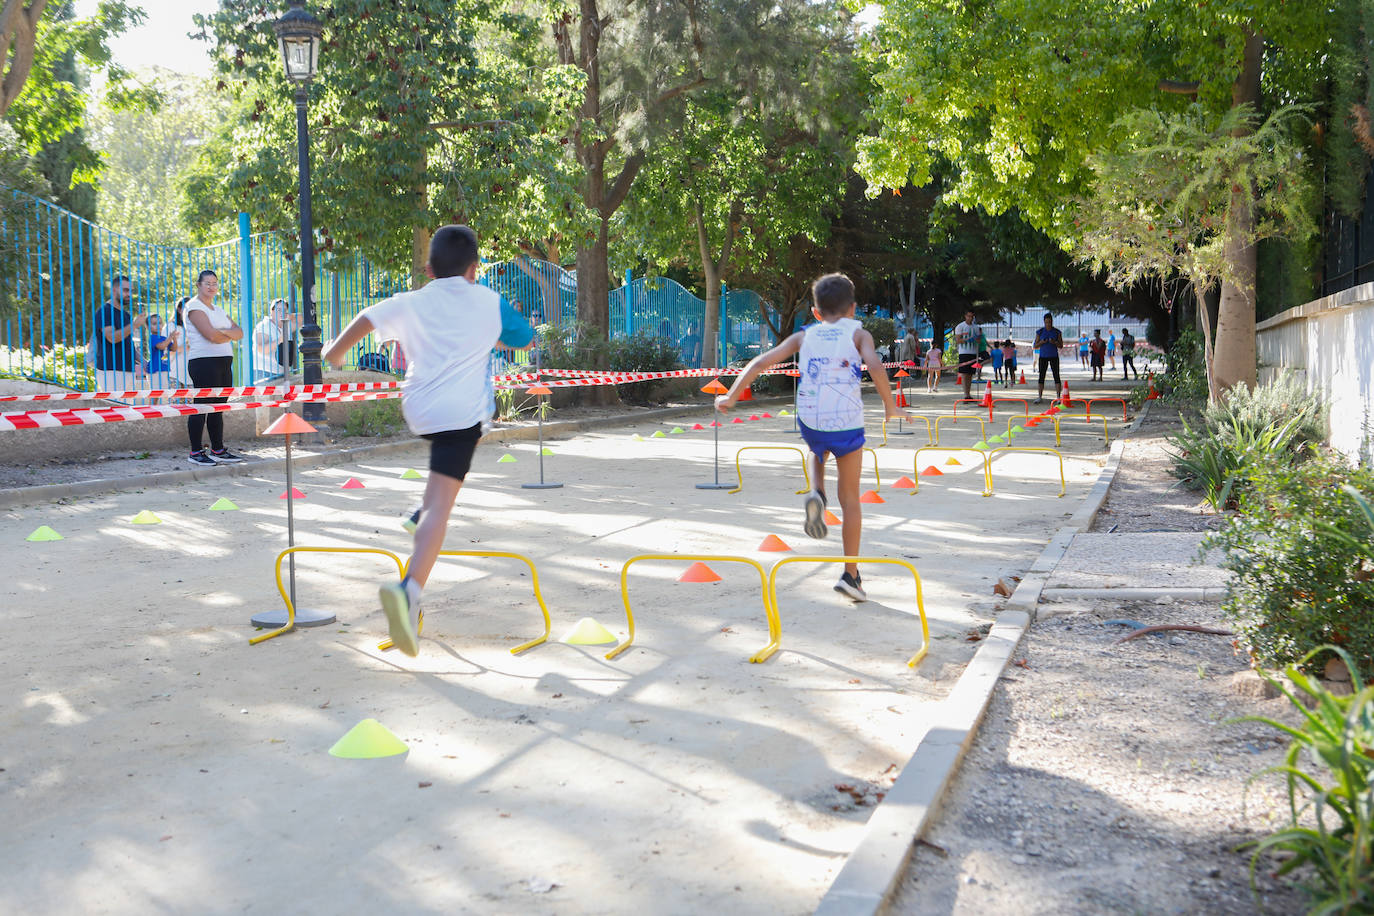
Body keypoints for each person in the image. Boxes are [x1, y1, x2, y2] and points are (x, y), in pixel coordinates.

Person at [323, 225, 534, 658]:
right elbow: (525, 339)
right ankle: (410, 589)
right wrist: (493, 333)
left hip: (419, 409)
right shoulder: (488, 300)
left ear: (428, 267)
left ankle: (421, 513)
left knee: (442, 475)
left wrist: (335, 353)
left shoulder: (412, 301)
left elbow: (366, 319)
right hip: (462, 415)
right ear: (475, 268)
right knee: (445, 502)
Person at [715, 272, 910, 602]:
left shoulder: (805, 335)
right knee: (850, 499)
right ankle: (851, 574)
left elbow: (761, 362)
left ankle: (816, 491)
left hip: (811, 417)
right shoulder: (859, 333)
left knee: (816, 446)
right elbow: (876, 367)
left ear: (816, 312)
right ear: (853, 309)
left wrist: (731, 396)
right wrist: (891, 407)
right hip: (847, 421)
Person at [182, 269, 247, 466]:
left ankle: (217, 449)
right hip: (203, 362)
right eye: (207, 283)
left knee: (218, 407)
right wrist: (227, 333)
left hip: (223, 362)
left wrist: (222, 332)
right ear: (198, 285)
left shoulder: (218, 310)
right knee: (201, 406)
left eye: (215, 283)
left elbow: (240, 332)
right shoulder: (193, 306)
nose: (212, 287)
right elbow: (210, 335)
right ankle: (195, 452)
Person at [93, 275, 147, 395]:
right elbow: (112, 337)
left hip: (128, 371)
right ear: (114, 290)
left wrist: (144, 362)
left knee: (127, 412)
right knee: (114, 411)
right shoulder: (104, 311)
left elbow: (128, 346)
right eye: (125, 290)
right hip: (111, 371)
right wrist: (134, 325)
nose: (129, 294)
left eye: (131, 291)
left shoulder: (126, 315)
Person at [252, 298, 300, 381]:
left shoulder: (285, 325)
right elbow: (261, 349)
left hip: (282, 374)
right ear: (272, 311)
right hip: (266, 373)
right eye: (278, 310)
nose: (282, 313)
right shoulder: (264, 326)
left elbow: (303, 318)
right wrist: (279, 340)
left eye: (284, 310)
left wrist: (289, 316)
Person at [1033, 313, 1064, 404]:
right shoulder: (1040, 332)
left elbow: (1061, 345)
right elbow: (1035, 345)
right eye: (1046, 322)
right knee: (1041, 376)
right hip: (1043, 356)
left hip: (1054, 356)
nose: (1048, 324)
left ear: (1052, 321)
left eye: (1049, 322)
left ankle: (1058, 397)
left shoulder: (1057, 332)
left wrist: (1054, 342)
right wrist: (1042, 342)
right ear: (1044, 322)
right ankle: (1039, 397)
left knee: (1056, 376)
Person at [954, 310, 981, 399]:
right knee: (964, 374)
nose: (970, 318)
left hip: (973, 353)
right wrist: (967, 340)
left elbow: (979, 340)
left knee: (970, 374)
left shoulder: (976, 327)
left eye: (972, 317)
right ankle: (966, 394)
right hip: (964, 353)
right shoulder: (960, 326)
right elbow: (958, 340)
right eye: (968, 316)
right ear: (965, 316)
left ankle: (968, 393)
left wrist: (976, 339)